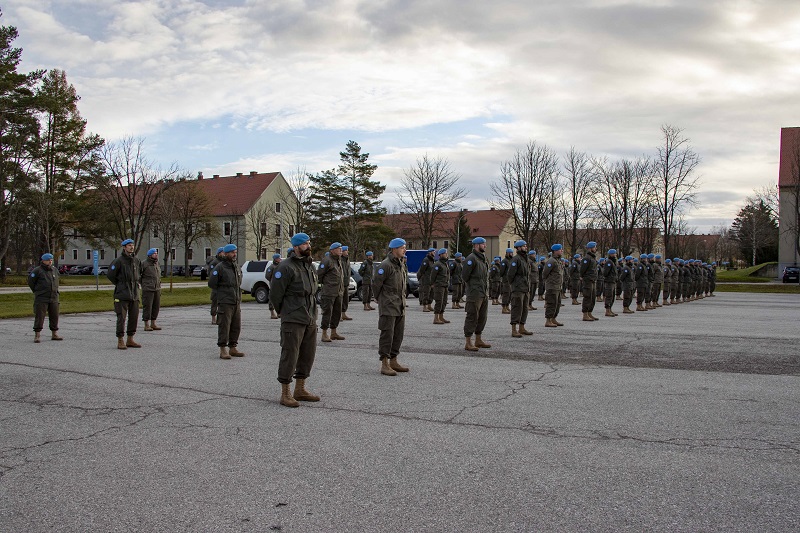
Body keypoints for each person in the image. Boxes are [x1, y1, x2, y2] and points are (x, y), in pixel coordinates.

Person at [270, 233, 319, 408]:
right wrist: (284, 312)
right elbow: (276, 294)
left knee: (307, 354)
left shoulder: (310, 266)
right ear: (296, 247)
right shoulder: (285, 267)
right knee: (290, 354)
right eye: (305, 244)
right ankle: (285, 392)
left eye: (309, 243)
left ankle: (300, 389)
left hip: (310, 315)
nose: (308, 246)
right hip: (293, 317)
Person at [373, 238, 410, 376]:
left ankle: (394, 360)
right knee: (387, 334)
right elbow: (376, 284)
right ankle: (384, 363)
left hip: (399, 305)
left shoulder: (400, 264)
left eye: (404, 247)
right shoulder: (386, 265)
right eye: (402, 248)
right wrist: (380, 299)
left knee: (398, 335)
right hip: (389, 305)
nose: (404, 250)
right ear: (394, 249)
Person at [209, 244, 244, 359]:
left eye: (235, 252)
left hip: (236, 300)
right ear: (226, 253)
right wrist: (222, 293)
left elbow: (239, 282)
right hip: (225, 301)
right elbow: (212, 283)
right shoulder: (220, 267)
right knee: (224, 325)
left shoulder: (236, 266)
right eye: (232, 252)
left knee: (236, 325)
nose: (234, 254)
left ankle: (233, 347)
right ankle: (223, 348)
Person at [107, 238, 142, 350]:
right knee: (121, 317)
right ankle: (120, 339)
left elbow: (139, 274)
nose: (131, 247)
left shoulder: (136, 260)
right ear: (124, 247)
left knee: (134, 316)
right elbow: (111, 275)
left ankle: (130, 338)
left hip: (134, 293)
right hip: (122, 294)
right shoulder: (118, 261)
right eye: (129, 245)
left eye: (132, 245)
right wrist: (121, 285)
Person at [462, 237, 492, 351]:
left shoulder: (483, 259)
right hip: (474, 293)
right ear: (476, 245)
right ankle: (468, 342)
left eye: (485, 244)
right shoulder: (471, 259)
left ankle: (478, 339)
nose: (485, 246)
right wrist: (473, 287)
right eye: (483, 244)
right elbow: (465, 276)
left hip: (483, 292)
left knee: (482, 317)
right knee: (472, 316)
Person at [28, 253, 62, 343]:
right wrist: (37, 291)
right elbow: (31, 282)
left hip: (54, 297)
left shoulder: (54, 270)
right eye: (48, 260)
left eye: (51, 260)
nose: (50, 262)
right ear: (43, 261)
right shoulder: (37, 271)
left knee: (54, 316)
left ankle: (54, 333)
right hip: (42, 297)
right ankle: (37, 335)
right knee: (40, 316)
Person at [318, 242, 346, 342]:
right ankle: (324, 334)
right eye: (339, 249)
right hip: (329, 292)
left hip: (338, 292)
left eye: (341, 249)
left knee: (337, 313)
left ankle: (333, 332)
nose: (341, 250)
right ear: (332, 250)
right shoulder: (327, 260)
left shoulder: (339, 260)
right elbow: (319, 275)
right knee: (327, 313)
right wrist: (326, 285)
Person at [506, 240, 533, 337]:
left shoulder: (525, 259)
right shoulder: (516, 259)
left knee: (525, 308)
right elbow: (510, 275)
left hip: (525, 287)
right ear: (518, 248)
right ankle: (514, 329)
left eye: (526, 246)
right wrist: (514, 285)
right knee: (517, 307)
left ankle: (522, 327)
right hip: (518, 288)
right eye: (523, 246)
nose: (525, 247)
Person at [542, 244, 565, 327]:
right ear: (555, 251)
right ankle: (548, 320)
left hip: (557, 286)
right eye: (560, 250)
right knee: (551, 303)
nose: (561, 251)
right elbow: (545, 273)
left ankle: (553, 318)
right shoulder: (551, 261)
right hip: (552, 286)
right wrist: (549, 282)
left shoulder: (558, 261)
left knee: (557, 303)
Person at [140, 248, 162, 331]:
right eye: (154, 253)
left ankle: (153, 323)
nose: (156, 254)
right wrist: (144, 284)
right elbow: (139, 275)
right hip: (148, 289)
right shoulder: (144, 264)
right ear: (150, 255)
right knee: (147, 306)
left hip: (157, 288)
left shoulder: (157, 263)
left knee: (156, 306)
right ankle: (146, 324)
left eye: (156, 253)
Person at [579, 242, 599, 321]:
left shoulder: (592, 257)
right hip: (588, 280)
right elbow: (582, 269)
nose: (596, 248)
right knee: (587, 297)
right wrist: (583, 277)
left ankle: (590, 312)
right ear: (591, 248)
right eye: (595, 247)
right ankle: (585, 314)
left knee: (592, 297)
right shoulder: (587, 258)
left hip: (593, 280)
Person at [431, 248, 451, 324]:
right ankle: (436, 318)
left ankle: (441, 317)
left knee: (444, 302)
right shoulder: (437, 264)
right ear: (441, 255)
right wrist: (432, 284)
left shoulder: (445, 264)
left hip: (445, 285)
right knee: (439, 301)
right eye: (445, 253)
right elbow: (433, 275)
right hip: (439, 285)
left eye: (446, 253)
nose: (446, 255)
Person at [209, 247, 224, 324]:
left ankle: (220, 318)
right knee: (214, 302)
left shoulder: (224, 262)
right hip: (216, 287)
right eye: (222, 252)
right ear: (219, 253)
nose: (224, 253)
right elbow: (212, 275)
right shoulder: (214, 263)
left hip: (222, 287)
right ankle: (213, 317)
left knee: (222, 303)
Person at [602, 249, 619, 317]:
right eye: (614, 253)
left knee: (612, 296)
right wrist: (610, 277)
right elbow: (605, 273)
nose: (615, 255)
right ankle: (607, 310)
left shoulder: (612, 262)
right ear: (611, 254)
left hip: (612, 281)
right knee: (609, 296)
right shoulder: (609, 262)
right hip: (609, 281)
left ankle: (610, 309)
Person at [265, 253, 282, 319]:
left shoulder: (280, 266)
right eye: (278, 258)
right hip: (274, 285)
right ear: (275, 259)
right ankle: (272, 312)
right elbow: (267, 276)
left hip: (280, 285)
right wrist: (273, 281)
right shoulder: (271, 267)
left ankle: (279, 312)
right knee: (272, 298)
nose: (280, 259)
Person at [340, 245, 353, 320]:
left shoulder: (347, 260)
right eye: (346, 250)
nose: (347, 251)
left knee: (345, 300)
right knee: (340, 300)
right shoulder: (340, 260)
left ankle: (343, 314)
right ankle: (338, 315)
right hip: (341, 283)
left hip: (346, 283)